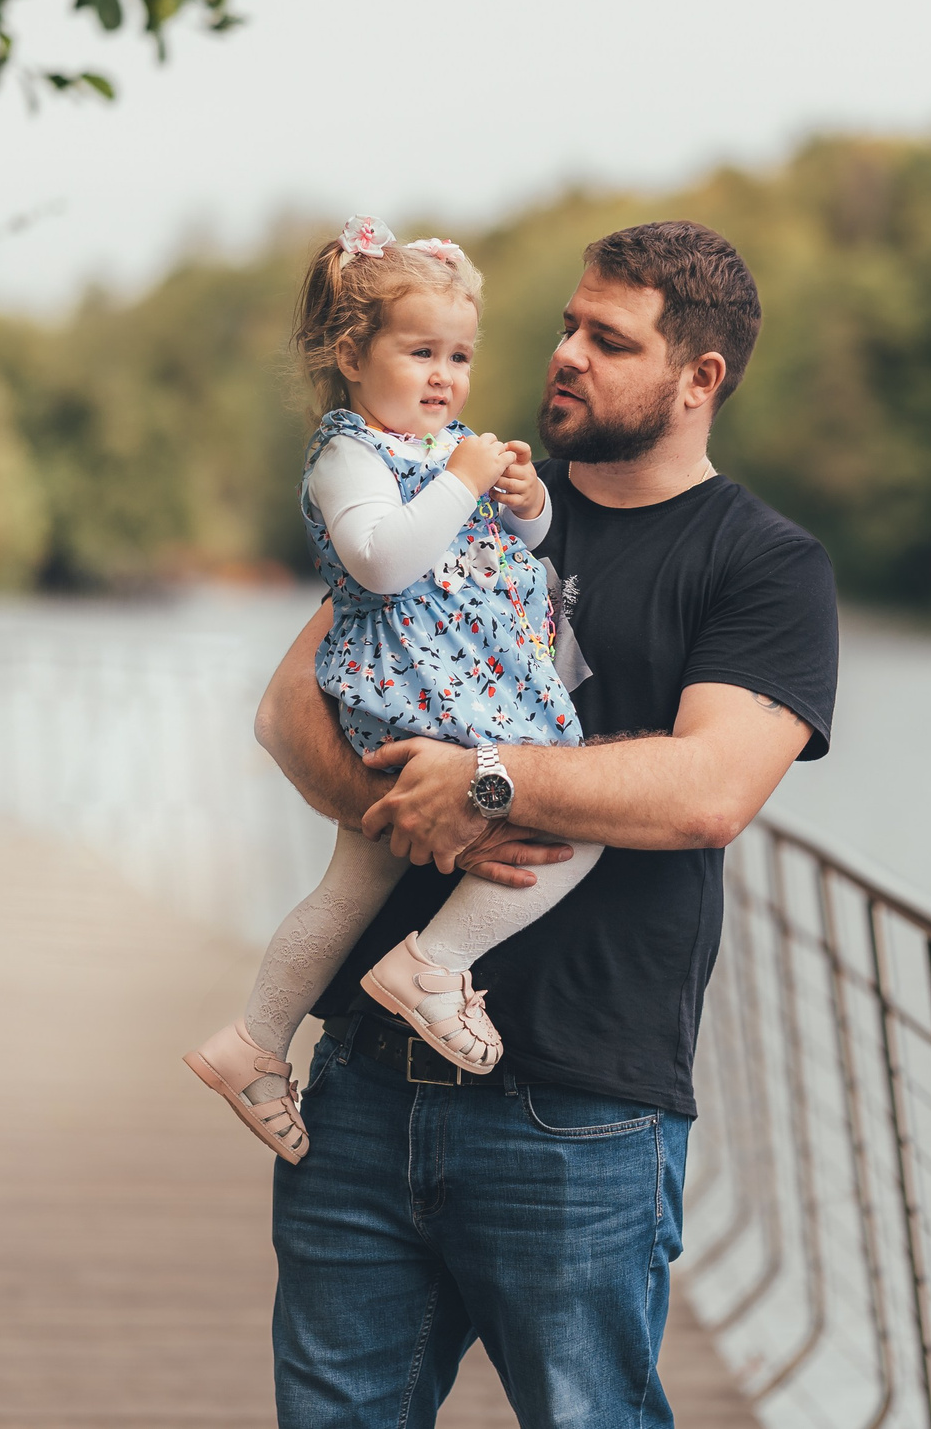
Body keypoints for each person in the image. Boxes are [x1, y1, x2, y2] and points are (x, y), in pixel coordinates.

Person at [251, 219, 840, 1428]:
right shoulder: (445, 485)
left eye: (607, 339)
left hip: (579, 1110)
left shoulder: (762, 565)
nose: (563, 353)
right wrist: (398, 807)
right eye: (567, 323)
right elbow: (286, 714)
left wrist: (488, 779)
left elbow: (707, 789)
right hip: (361, 1086)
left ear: (699, 378)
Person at [186, 218, 600, 1163]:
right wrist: (458, 480)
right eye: (420, 352)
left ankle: (252, 1040)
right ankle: (433, 965)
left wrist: (526, 506)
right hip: (422, 689)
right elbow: (380, 564)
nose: (444, 376)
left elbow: (523, 556)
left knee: (354, 881)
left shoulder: (447, 450)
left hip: (458, 679)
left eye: (458, 355)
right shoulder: (350, 455)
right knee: (573, 829)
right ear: (351, 354)